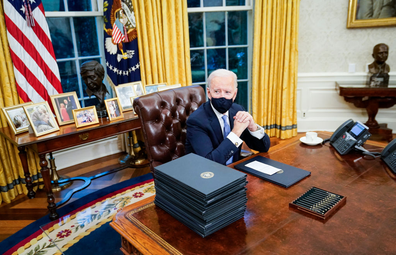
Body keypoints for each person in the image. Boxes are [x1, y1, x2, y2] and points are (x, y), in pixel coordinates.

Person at [185, 69, 270, 165]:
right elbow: (210, 163)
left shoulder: (237, 110)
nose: (222, 97)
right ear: (209, 93)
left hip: (235, 169)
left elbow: (263, 148)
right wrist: (236, 132)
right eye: (217, 91)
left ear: (235, 94)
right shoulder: (196, 121)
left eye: (227, 92)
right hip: (206, 174)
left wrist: (253, 127)